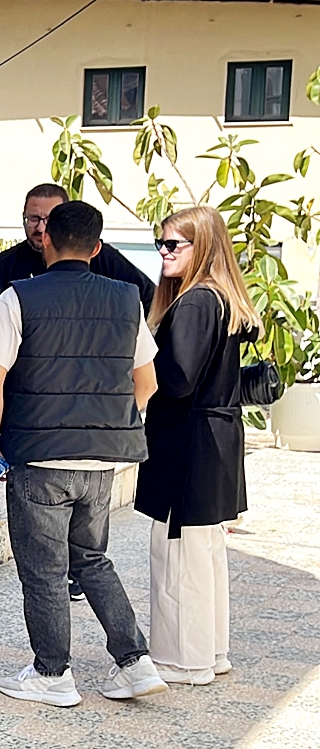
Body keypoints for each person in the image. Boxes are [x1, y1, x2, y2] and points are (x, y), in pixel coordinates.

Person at [0, 200, 166, 706]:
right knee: (92, 560)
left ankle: (52, 674)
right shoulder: (126, 299)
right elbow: (146, 382)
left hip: (39, 458)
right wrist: (109, 421)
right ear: (97, 248)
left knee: (43, 570)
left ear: (47, 242)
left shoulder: (19, 297)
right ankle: (135, 662)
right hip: (100, 461)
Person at [0, 183, 155, 568]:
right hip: (19, 392)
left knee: (73, 510)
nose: (39, 228)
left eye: (47, 220)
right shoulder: (7, 267)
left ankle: (77, 564)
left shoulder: (104, 262)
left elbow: (150, 304)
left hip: (80, 399)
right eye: (31, 219)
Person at [137, 206, 256, 685]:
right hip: (213, 440)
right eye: (161, 244)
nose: (163, 253)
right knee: (203, 553)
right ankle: (209, 652)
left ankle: (183, 660)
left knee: (178, 556)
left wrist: (138, 362)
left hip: (186, 443)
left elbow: (177, 378)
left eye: (173, 245)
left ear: (201, 246)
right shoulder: (220, 298)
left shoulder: (194, 302)